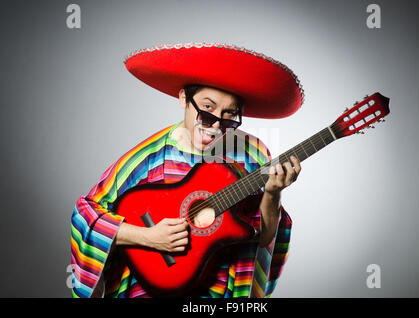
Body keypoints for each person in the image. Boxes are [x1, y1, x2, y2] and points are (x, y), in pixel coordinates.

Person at [70, 42, 305, 298]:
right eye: (207, 110)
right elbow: (86, 217)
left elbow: (262, 239)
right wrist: (148, 237)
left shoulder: (253, 155)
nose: (215, 126)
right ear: (184, 98)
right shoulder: (150, 156)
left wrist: (272, 195)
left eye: (229, 117)